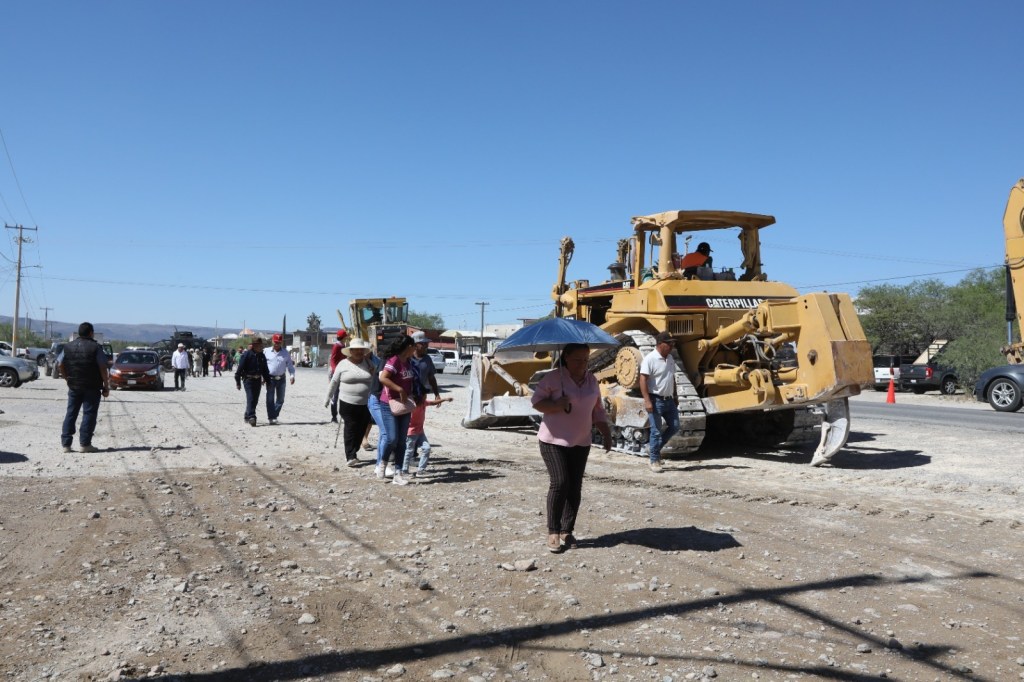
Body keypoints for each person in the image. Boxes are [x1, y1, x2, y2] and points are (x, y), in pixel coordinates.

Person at [531, 343, 612, 553]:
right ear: (566, 357)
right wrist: (556, 405)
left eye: (585, 359)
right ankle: (553, 531)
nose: (582, 364)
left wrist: (606, 432)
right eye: (577, 360)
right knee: (560, 482)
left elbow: (597, 409)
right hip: (552, 440)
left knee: (574, 487)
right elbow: (536, 402)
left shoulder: (591, 380)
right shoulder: (553, 378)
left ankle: (566, 530)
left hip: (581, 441)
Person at [58, 322, 111, 453]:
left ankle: (66, 445)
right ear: (91, 333)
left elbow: (60, 364)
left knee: (71, 413)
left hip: (74, 386)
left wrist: (67, 378)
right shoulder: (96, 347)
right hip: (92, 386)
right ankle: (85, 444)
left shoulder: (68, 347)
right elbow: (102, 367)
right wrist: (106, 385)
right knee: (89, 414)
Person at [325, 337, 375, 466]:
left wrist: (374, 373)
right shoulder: (343, 364)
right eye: (356, 350)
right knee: (351, 427)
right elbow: (334, 382)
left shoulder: (369, 363)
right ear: (350, 351)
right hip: (347, 402)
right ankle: (350, 455)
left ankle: (354, 449)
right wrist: (328, 397)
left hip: (365, 403)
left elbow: (376, 381)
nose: (359, 352)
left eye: (361, 350)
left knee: (361, 428)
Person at [376, 335, 417, 485]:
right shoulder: (394, 360)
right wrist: (399, 389)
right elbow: (383, 378)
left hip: (404, 405)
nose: (415, 349)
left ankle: (398, 474)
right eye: (414, 346)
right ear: (409, 347)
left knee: (401, 441)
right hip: (389, 404)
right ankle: (383, 462)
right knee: (392, 438)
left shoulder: (409, 362)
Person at [639, 331, 679, 474]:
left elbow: (672, 377)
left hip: (669, 400)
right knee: (656, 431)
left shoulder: (670, 358)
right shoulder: (650, 359)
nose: (671, 346)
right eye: (669, 343)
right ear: (660, 344)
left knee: (675, 426)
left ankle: (653, 450)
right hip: (655, 400)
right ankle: (654, 460)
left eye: (672, 343)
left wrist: (675, 395)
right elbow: (643, 379)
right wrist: (647, 401)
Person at [406, 331, 442, 477]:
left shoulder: (427, 359)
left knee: (417, 423)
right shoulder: (407, 358)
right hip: (408, 396)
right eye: (423, 343)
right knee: (407, 424)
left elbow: (431, 377)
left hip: (421, 396)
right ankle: (402, 455)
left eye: (427, 343)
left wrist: (437, 393)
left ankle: (412, 455)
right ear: (415, 345)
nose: (426, 346)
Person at [234, 338, 271, 426]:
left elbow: (265, 370)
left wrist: (268, 381)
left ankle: (247, 414)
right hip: (248, 380)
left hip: (258, 380)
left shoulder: (262, 356)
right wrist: (238, 382)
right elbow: (239, 369)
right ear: (254, 346)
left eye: (261, 345)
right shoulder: (247, 355)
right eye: (259, 345)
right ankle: (252, 417)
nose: (261, 347)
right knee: (250, 398)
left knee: (255, 400)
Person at [264, 333, 296, 425]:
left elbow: (290, 366)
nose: (277, 344)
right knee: (270, 399)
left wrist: (292, 376)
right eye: (275, 342)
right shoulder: (266, 351)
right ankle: (272, 417)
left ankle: (274, 415)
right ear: (272, 341)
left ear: (281, 342)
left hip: (282, 379)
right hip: (270, 378)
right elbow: (262, 365)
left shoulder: (285, 353)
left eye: (278, 342)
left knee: (280, 399)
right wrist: (263, 377)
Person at [327, 329, 349, 423]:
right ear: (343, 337)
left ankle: (343, 415)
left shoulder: (343, 346)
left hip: (343, 372)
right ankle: (334, 416)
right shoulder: (337, 346)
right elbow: (333, 360)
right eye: (346, 337)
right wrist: (336, 371)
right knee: (335, 396)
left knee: (344, 395)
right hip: (336, 373)